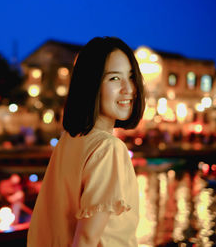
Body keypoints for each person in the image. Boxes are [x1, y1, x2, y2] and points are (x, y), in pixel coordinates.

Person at [27, 36, 145, 247]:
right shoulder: (108, 148)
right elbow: (86, 239)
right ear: (92, 84)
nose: (129, 89)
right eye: (114, 79)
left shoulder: (69, 140)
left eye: (131, 76)